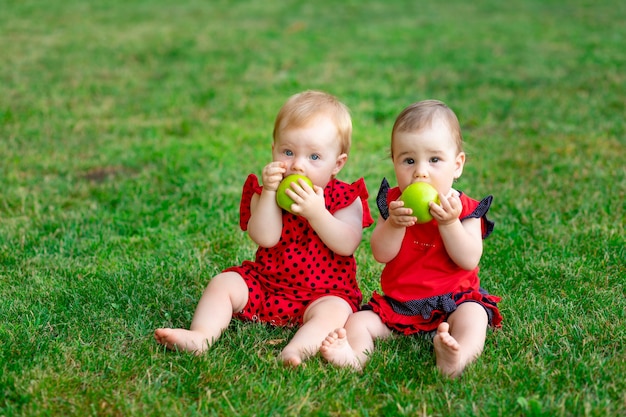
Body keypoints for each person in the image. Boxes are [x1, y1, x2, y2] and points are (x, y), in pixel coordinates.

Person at [155, 90, 373, 366]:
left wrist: (317, 213)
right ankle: (200, 336)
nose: (297, 165)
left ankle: (296, 351)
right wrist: (270, 192)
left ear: (337, 164)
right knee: (224, 283)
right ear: (274, 150)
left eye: (314, 157)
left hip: (323, 293)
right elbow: (265, 237)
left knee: (336, 312)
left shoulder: (345, 198)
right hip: (267, 283)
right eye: (288, 152)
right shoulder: (268, 192)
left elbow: (347, 243)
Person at [320, 99, 502, 377]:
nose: (420, 171)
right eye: (408, 160)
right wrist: (394, 224)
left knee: (474, 316)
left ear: (457, 164)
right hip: (399, 304)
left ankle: (457, 357)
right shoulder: (395, 205)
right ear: (394, 162)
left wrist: (449, 223)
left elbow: (468, 259)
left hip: (453, 301)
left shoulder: (465, 211)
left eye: (434, 160)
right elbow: (381, 253)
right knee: (358, 320)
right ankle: (354, 355)